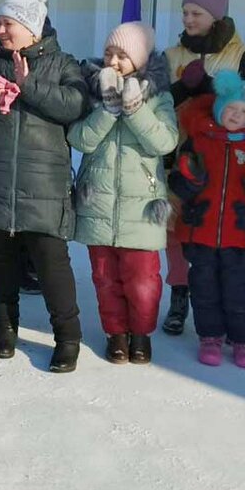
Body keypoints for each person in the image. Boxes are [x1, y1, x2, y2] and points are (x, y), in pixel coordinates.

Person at [0, 0, 86, 373]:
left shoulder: (64, 64)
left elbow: (74, 105)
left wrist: (28, 85)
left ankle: (67, 337)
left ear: (32, 27)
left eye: (8, 23)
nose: (0, 30)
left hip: (43, 183)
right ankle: (5, 327)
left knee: (51, 261)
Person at [69, 22, 178, 365]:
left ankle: (141, 335)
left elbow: (164, 141)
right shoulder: (93, 92)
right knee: (104, 277)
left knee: (143, 279)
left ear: (140, 60)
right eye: (108, 54)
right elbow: (80, 140)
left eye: (122, 55)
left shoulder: (158, 96)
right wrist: (107, 110)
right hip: (99, 201)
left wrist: (134, 109)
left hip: (141, 205)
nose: (113, 62)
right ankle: (115, 334)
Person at [161, 0, 245, 335]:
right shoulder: (172, 55)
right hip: (177, 156)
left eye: (196, 13)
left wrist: (212, 89)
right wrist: (180, 87)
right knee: (174, 230)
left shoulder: (241, 55)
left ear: (215, 16)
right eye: (185, 12)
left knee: (210, 232)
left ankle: (218, 302)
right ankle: (179, 295)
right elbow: (158, 103)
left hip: (224, 165)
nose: (188, 19)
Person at [170, 71, 245, 368]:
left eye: (244, 112)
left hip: (240, 233)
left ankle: (244, 340)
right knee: (204, 287)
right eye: (231, 109)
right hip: (201, 229)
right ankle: (210, 336)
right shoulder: (200, 141)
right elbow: (179, 180)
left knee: (240, 290)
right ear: (220, 109)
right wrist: (190, 182)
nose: (236, 115)